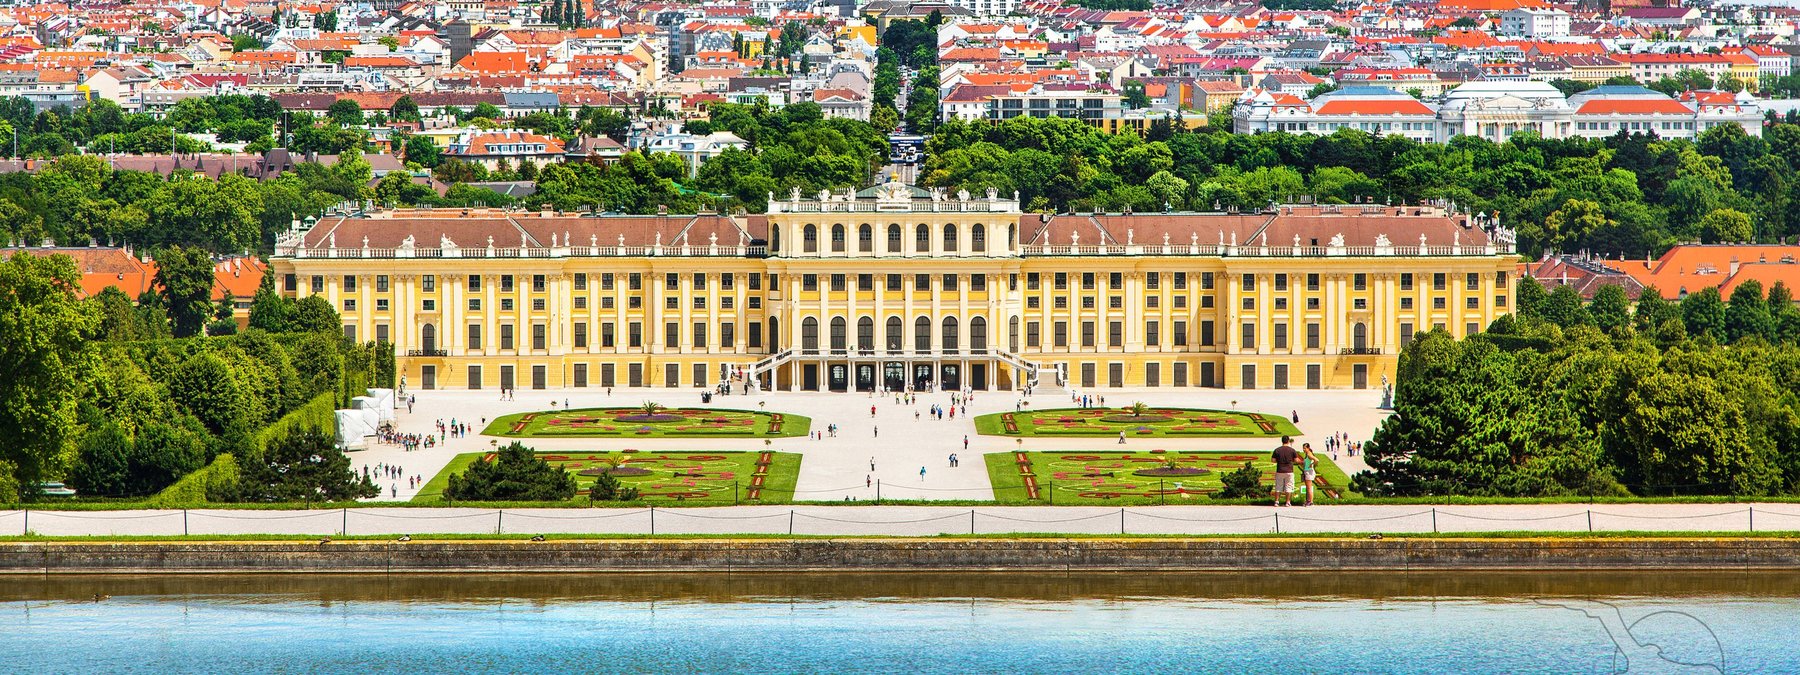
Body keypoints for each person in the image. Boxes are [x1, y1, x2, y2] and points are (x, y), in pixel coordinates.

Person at [1270, 436, 1299, 507]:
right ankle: (1287, 502)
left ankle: (1276, 502)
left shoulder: (1277, 450)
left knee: (1278, 486)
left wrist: (1279, 461)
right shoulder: (1292, 450)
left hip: (1280, 470)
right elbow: (1296, 460)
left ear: (1282, 441)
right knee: (1289, 486)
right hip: (1289, 470)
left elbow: (1273, 460)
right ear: (1288, 441)